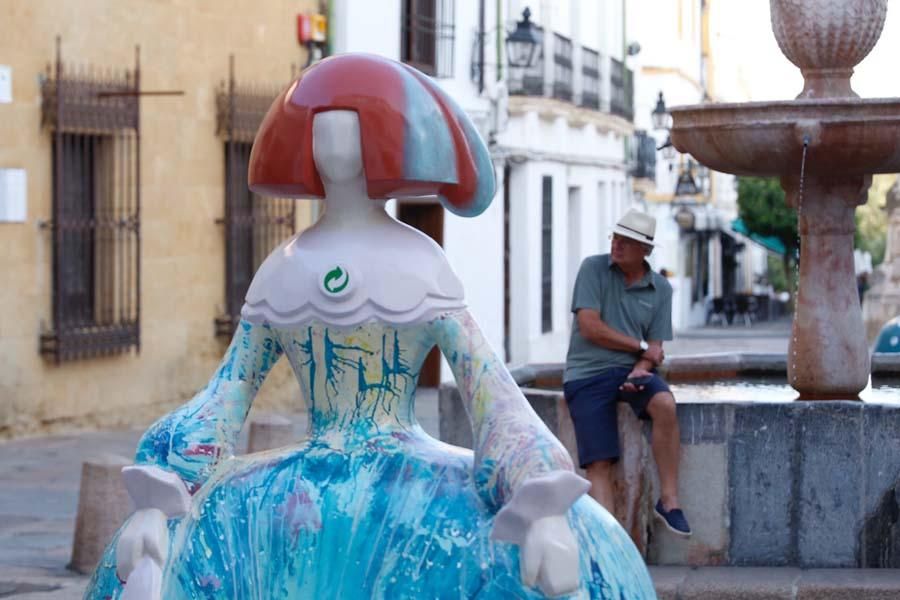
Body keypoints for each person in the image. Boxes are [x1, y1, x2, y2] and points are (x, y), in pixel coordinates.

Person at [84, 55, 655, 599]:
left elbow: (492, 391)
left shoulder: (412, 260)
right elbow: (224, 398)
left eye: (349, 127)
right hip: (328, 495)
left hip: (365, 486)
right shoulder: (287, 267)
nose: (333, 143)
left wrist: (538, 498)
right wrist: (161, 495)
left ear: (382, 140)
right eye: (321, 127)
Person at [564, 209, 691, 538]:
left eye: (627, 241)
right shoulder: (593, 269)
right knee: (600, 462)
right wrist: (639, 347)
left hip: (630, 371)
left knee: (664, 403)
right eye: (615, 237)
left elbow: (656, 348)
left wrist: (640, 367)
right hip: (587, 372)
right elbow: (590, 327)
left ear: (645, 250)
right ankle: (609, 543)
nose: (617, 245)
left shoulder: (660, 288)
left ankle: (669, 501)